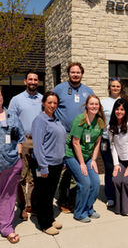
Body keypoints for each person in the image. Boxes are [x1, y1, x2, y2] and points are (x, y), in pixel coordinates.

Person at [53, 62, 94, 213]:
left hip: (82, 135)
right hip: (64, 134)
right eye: (72, 72)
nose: (75, 74)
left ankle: (74, 199)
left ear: (82, 74)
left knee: (77, 167)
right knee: (65, 168)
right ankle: (63, 199)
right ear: (68, 74)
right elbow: (50, 106)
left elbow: (93, 109)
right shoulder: (59, 89)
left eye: (78, 72)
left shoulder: (87, 91)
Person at [65, 94, 105, 223]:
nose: (94, 106)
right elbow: (75, 143)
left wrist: (93, 160)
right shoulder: (80, 119)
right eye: (91, 104)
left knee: (95, 182)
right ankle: (79, 213)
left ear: (99, 106)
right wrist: (82, 163)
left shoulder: (99, 121)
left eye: (96, 104)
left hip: (88, 157)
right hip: (72, 156)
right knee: (85, 183)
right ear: (87, 105)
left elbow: (98, 142)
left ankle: (88, 208)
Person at [8, 71, 42, 220]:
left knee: (36, 175)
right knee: (21, 176)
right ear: (25, 81)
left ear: (38, 82)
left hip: (39, 141)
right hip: (22, 141)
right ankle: (21, 206)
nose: (33, 82)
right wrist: (12, 144)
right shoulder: (16, 100)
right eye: (30, 79)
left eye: (35, 79)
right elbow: (9, 123)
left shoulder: (43, 99)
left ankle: (31, 204)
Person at [31, 91, 66, 235]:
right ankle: (44, 223)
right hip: (45, 164)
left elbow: (60, 141)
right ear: (43, 103)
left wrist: (62, 159)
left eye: (55, 103)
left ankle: (50, 218)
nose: (52, 105)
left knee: (50, 193)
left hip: (57, 164)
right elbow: (38, 146)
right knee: (43, 194)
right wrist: (43, 167)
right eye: (49, 102)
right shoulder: (40, 120)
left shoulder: (56, 119)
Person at [100, 78, 128, 207]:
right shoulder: (103, 102)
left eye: (117, 86)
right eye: (113, 86)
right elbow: (99, 120)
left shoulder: (127, 102)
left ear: (121, 87)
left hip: (122, 141)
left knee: (124, 167)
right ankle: (111, 195)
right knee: (110, 168)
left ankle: (123, 194)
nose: (115, 88)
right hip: (106, 139)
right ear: (109, 87)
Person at [0, 86, 25, 244]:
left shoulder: (11, 115)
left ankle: (6, 227)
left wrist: (18, 158)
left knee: (8, 197)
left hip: (10, 164)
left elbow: (20, 137)